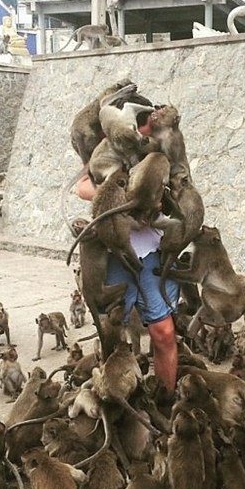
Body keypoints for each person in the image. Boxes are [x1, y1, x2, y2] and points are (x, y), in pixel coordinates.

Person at [75, 118, 179, 396]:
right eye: (136, 128)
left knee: (164, 332)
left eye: (143, 129)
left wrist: (155, 199)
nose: (139, 134)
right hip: (111, 251)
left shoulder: (161, 149)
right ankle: (115, 395)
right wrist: (114, 197)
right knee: (112, 331)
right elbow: (81, 186)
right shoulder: (106, 148)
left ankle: (166, 397)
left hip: (152, 250)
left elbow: (180, 189)